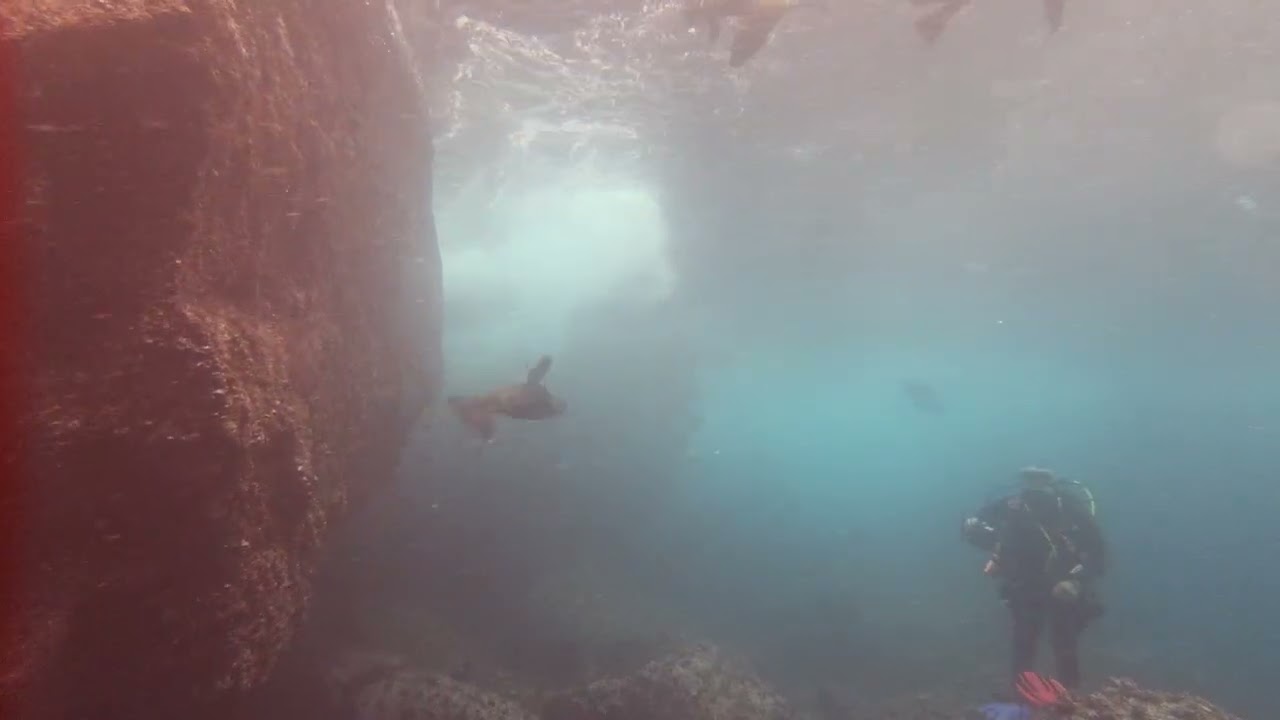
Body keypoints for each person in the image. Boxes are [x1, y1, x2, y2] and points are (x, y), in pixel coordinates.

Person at [962, 467, 1106, 690]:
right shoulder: (1011, 506)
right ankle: (1022, 702)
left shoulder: (1068, 506)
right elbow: (975, 528)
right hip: (1024, 585)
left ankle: (1071, 701)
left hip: (1062, 585)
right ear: (1022, 481)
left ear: (1052, 481)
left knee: (1064, 642)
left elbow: (1098, 553)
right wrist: (984, 539)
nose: (1035, 484)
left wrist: (1075, 581)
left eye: (1041, 478)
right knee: (1023, 642)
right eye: (1030, 478)